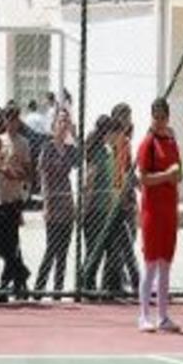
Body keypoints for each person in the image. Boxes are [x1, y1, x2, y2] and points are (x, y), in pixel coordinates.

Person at [136, 98, 182, 332]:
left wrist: (175, 174)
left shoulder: (172, 141)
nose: (160, 120)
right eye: (156, 116)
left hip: (169, 210)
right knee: (151, 263)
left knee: (165, 263)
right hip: (152, 211)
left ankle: (163, 316)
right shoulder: (147, 144)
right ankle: (144, 315)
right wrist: (166, 175)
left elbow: (178, 173)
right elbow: (143, 178)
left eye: (163, 116)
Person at [0, 103, 32, 301]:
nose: (11, 123)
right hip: (0, 197)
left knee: (9, 244)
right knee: (0, 244)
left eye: (14, 118)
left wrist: (15, 174)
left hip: (13, 199)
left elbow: (29, 173)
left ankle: (8, 283)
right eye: (8, 118)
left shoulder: (23, 143)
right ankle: (19, 274)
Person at [35, 108, 76, 295]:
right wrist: (46, 205)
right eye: (60, 121)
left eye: (66, 122)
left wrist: (74, 136)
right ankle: (39, 288)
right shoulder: (48, 148)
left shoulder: (69, 149)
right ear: (53, 126)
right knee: (51, 248)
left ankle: (58, 291)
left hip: (67, 202)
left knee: (63, 253)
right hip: (53, 202)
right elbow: (43, 177)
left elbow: (81, 160)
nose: (63, 125)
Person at [104, 103, 140, 293]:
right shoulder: (119, 142)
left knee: (125, 239)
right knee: (124, 240)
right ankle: (127, 279)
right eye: (125, 117)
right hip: (119, 197)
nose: (128, 121)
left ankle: (122, 277)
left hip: (123, 196)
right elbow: (124, 171)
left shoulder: (123, 142)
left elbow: (128, 170)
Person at [82, 115, 114, 291]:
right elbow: (90, 180)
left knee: (98, 249)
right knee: (93, 249)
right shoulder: (97, 151)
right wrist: (86, 208)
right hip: (94, 209)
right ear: (106, 132)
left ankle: (89, 283)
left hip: (103, 208)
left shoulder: (105, 150)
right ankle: (87, 284)